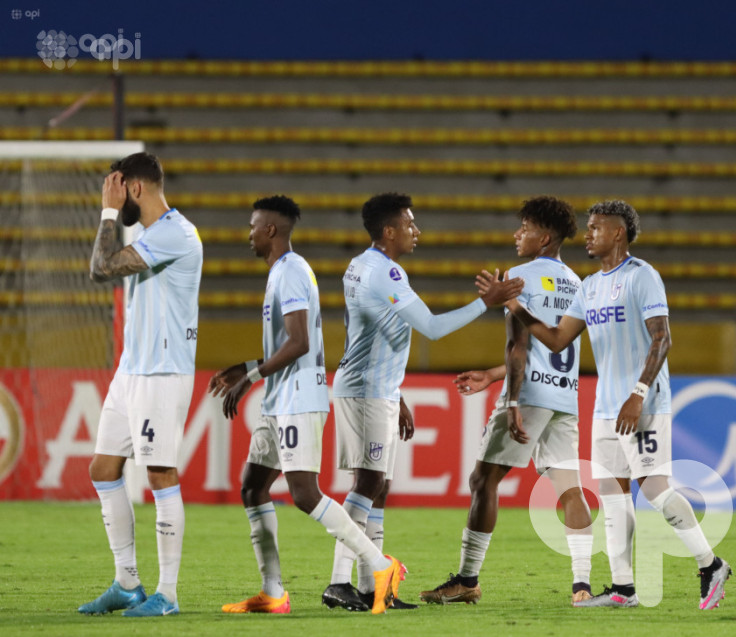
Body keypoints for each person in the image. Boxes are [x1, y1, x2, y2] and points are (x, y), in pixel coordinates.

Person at [501, 199, 731, 610]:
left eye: (595, 228)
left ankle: (710, 563)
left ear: (618, 233)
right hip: (606, 407)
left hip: (642, 403)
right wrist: (516, 307)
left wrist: (638, 393)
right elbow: (556, 340)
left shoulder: (643, 277)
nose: (587, 234)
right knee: (611, 494)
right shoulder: (589, 286)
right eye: (588, 228)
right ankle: (624, 589)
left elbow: (662, 338)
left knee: (656, 489)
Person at [322, 192, 524, 612]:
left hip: (374, 387)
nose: (417, 231)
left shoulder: (360, 265)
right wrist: (484, 304)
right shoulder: (386, 273)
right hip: (365, 390)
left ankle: (373, 588)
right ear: (389, 230)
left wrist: (396, 394)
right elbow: (432, 327)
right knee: (367, 484)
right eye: (410, 224)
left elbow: (373, 332)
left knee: (380, 486)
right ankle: (340, 581)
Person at [208, 195, 406, 615]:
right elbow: (289, 341)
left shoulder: (293, 273)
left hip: (298, 398)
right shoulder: (281, 272)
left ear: (271, 230)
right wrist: (245, 366)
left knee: (302, 493)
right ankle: (273, 591)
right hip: (279, 398)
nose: (248, 234)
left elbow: (298, 344)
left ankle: (378, 565)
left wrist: (250, 378)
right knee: (252, 486)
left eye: (253, 226)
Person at [419, 196, 594, 607]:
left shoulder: (518, 277)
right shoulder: (577, 283)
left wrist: (511, 399)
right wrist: (492, 374)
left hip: (530, 394)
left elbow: (519, 348)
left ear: (544, 236)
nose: (518, 234)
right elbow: (550, 348)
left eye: (525, 228)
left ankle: (467, 579)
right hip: (565, 396)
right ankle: (581, 585)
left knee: (484, 480)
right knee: (570, 490)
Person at [79, 152, 202, 617]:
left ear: (134, 188)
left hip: (161, 373)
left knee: (159, 474)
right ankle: (127, 582)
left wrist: (109, 212)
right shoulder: (153, 235)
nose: (112, 195)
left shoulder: (175, 233)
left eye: (117, 187)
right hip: (132, 371)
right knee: (103, 469)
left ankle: (167, 595)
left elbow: (100, 268)